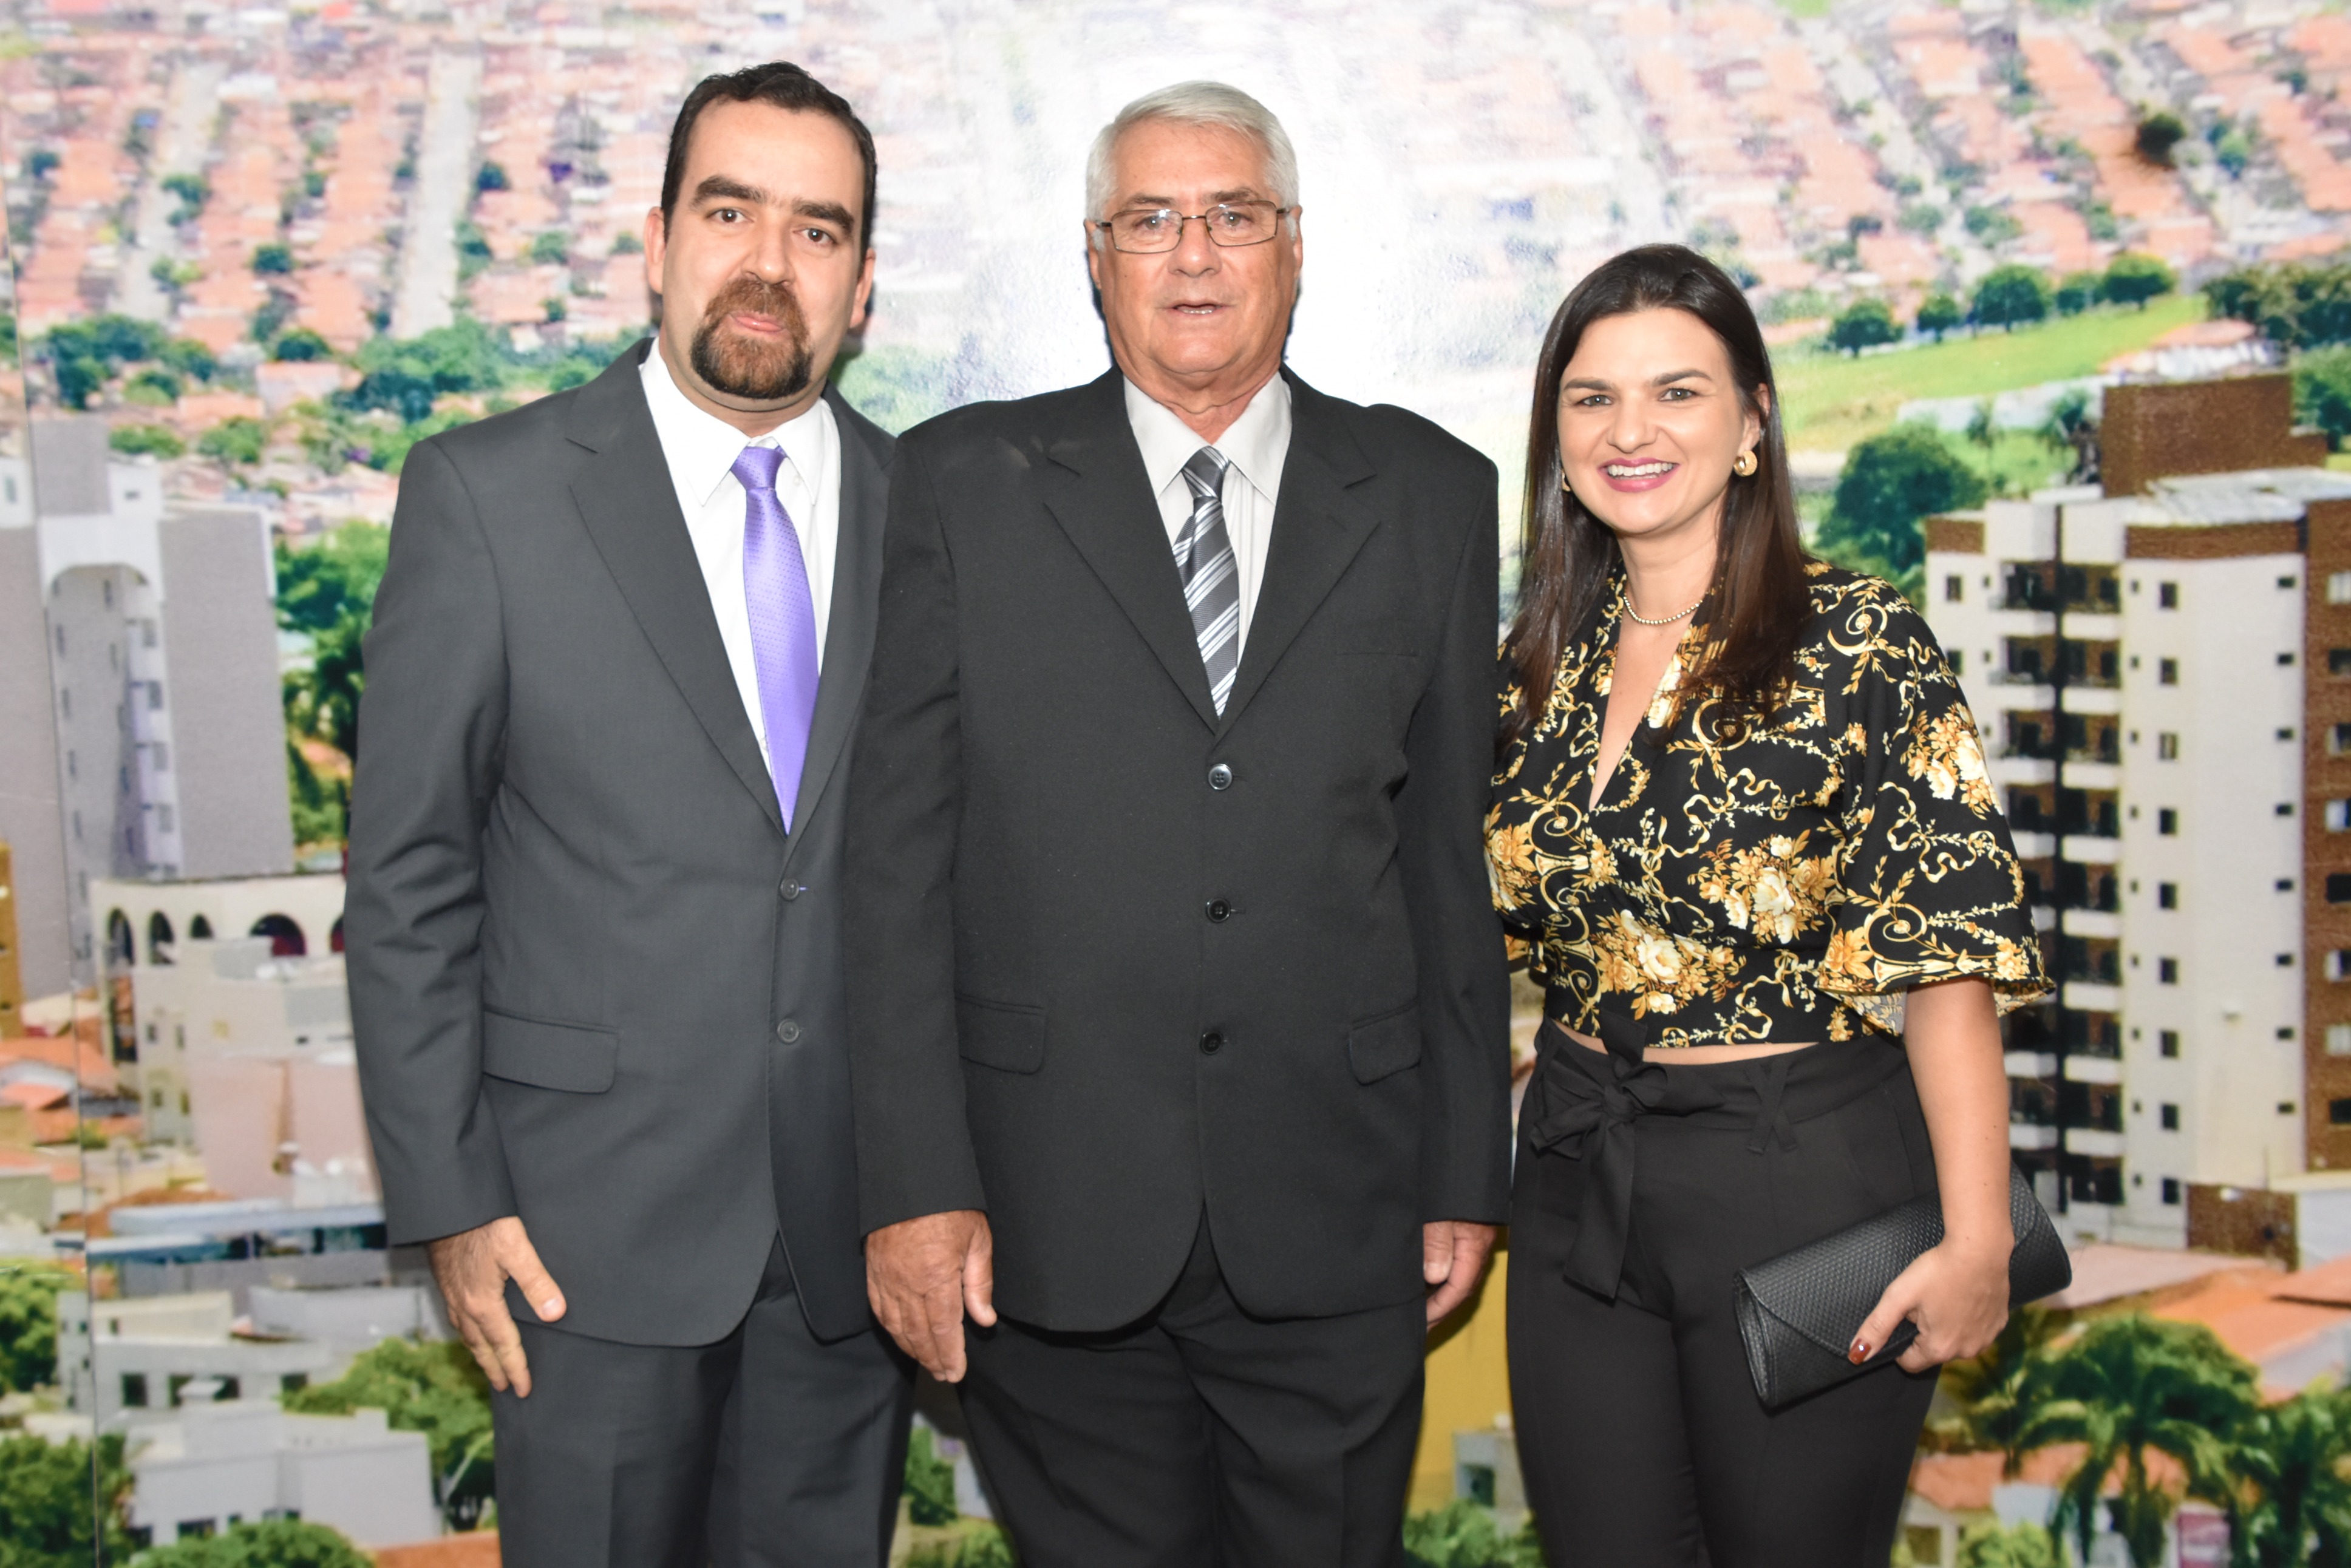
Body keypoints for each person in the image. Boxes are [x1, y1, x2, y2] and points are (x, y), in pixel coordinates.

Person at [843, 81, 1511, 1567]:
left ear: (1294, 245)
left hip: (1340, 1210)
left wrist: (1465, 1166)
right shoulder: (960, 483)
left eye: (1231, 215)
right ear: (1095, 257)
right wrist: (915, 1185)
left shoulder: (1429, 493)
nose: (1193, 253)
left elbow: (1442, 867)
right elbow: (892, 870)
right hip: (1043, 1215)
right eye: (1149, 219)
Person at [345, 63, 911, 1567]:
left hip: (851, 1245)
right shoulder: (488, 497)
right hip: (574, 1240)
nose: (768, 261)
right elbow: (408, 876)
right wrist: (452, 1197)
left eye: (817, 229)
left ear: (860, 283)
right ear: (657, 243)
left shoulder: (929, 513)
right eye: (729, 212)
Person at [1487, 245, 2050, 1567]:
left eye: (1676, 392)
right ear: (1557, 437)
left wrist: (1978, 1239)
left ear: (1751, 425)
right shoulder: (1531, 663)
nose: (1629, 431)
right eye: (1592, 398)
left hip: (1801, 1185)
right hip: (1573, 1175)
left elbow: (1947, 966)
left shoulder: (1857, 640)